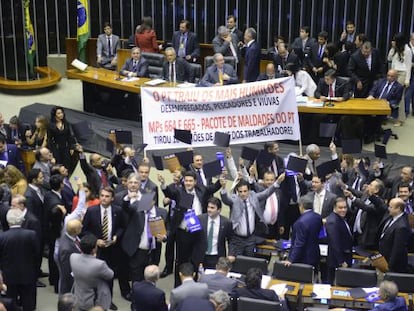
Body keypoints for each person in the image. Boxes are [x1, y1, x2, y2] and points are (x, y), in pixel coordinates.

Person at [81, 187, 125, 310]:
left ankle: (108, 300)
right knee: (95, 277)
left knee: (109, 276)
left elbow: (122, 227)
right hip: (96, 250)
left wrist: (117, 236)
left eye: (107, 196)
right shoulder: (91, 211)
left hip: (112, 249)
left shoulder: (118, 210)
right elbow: (84, 231)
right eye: (102, 195)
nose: (104, 198)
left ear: (112, 198)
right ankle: (95, 300)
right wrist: (95, 240)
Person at [220, 175, 285, 258]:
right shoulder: (235, 199)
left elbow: (266, 193)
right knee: (237, 263)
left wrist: (277, 182)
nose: (243, 194)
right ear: (237, 192)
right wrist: (223, 188)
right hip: (237, 239)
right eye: (240, 192)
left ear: (249, 190)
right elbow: (226, 200)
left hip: (250, 238)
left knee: (250, 261)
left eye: (245, 191)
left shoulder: (253, 197)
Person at [121, 188, 167, 283]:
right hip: (138, 250)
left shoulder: (162, 212)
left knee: (151, 277)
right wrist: (127, 198)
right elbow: (125, 207)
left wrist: (165, 237)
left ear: (153, 201)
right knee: (136, 278)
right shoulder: (137, 209)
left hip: (153, 252)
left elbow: (169, 229)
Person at [0, 208, 39, 311]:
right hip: (28, 274)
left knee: (11, 302)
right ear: (22, 219)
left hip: (9, 276)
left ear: (8, 220)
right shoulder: (31, 235)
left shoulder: (2, 237)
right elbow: (37, 255)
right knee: (28, 302)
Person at [70, 234, 114, 311]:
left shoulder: (73, 257)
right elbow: (110, 275)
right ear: (94, 249)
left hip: (77, 297)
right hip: (93, 300)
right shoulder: (99, 264)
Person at [344, 179, 387, 249]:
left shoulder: (379, 204)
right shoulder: (365, 196)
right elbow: (357, 193)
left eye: (371, 185)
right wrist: (346, 187)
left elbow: (366, 207)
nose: (368, 186)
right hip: (355, 234)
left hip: (366, 238)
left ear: (376, 190)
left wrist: (352, 197)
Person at [284, 194, 323, 268]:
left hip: (303, 258)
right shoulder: (318, 217)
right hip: (315, 254)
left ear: (301, 206)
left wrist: (291, 260)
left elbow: (299, 243)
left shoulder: (300, 222)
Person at [196, 197, 233, 269]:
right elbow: (193, 238)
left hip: (217, 257)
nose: (209, 210)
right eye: (208, 207)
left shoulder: (226, 222)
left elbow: (231, 240)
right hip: (202, 256)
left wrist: (231, 254)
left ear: (219, 210)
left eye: (212, 208)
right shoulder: (199, 219)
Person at [325, 197, 353, 284]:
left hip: (344, 255)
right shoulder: (333, 221)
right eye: (340, 208)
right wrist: (341, 261)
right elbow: (335, 243)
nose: (343, 210)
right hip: (337, 259)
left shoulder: (339, 218)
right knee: (334, 283)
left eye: (345, 207)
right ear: (334, 207)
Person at [378, 198, 411, 273]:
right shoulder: (391, 218)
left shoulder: (402, 226)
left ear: (398, 208)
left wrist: (389, 267)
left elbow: (397, 249)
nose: (388, 209)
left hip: (393, 266)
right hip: (384, 260)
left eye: (391, 207)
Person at [387, 33, 412, 126]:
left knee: (400, 97)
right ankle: (390, 114)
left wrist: (407, 79)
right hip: (394, 72)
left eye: (395, 41)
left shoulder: (407, 50)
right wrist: (393, 48)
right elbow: (389, 58)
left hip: (402, 73)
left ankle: (400, 119)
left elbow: (409, 66)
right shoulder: (396, 49)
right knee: (389, 93)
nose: (393, 42)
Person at [56, 219, 82, 295]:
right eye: (80, 227)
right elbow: (66, 272)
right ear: (75, 231)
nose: (82, 226)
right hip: (71, 283)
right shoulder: (66, 249)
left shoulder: (72, 237)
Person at [48, 106, 76, 175]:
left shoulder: (66, 123)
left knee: (67, 165)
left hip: (66, 147)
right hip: (56, 148)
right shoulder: (51, 125)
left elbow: (69, 136)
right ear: (55, 115)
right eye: (59, 113)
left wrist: (71, 147)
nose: (61, 114)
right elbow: (49, 139)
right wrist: (51, 153)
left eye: (62, 113)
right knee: (59, 165)